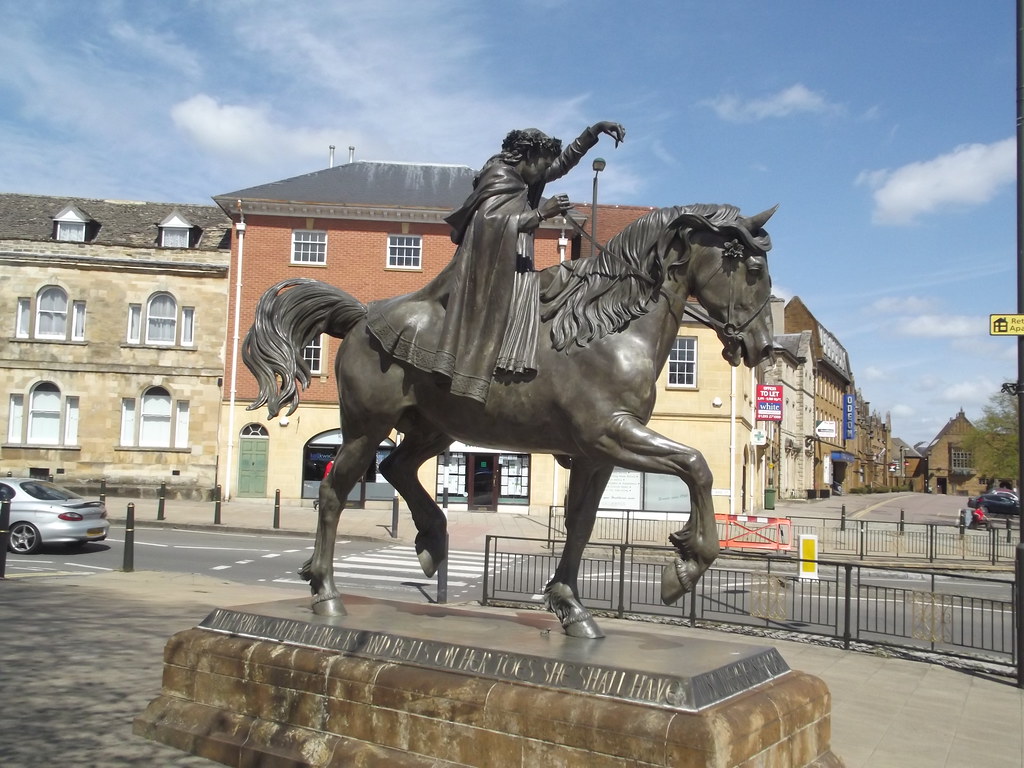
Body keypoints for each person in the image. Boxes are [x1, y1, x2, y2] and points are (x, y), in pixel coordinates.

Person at [366, 122, 625, 404]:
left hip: (517, 264)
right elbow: (490, 223)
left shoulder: (525, 179)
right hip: (492, 271)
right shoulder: (500, 177)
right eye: (542, 164)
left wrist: (593, 133)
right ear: (527, 156)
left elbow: (562, 164)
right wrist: (541, 214)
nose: (544, 173)